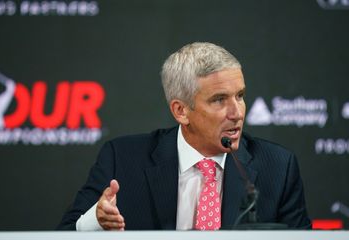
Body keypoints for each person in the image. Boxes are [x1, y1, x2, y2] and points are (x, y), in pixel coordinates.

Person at [57, 42, 311, 230]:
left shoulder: (277, 166)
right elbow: (64, 233)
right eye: (219, 99)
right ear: (181, 111)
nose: (237, 112)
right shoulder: (122, 160)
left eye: (240, 96)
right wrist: (96, 221)